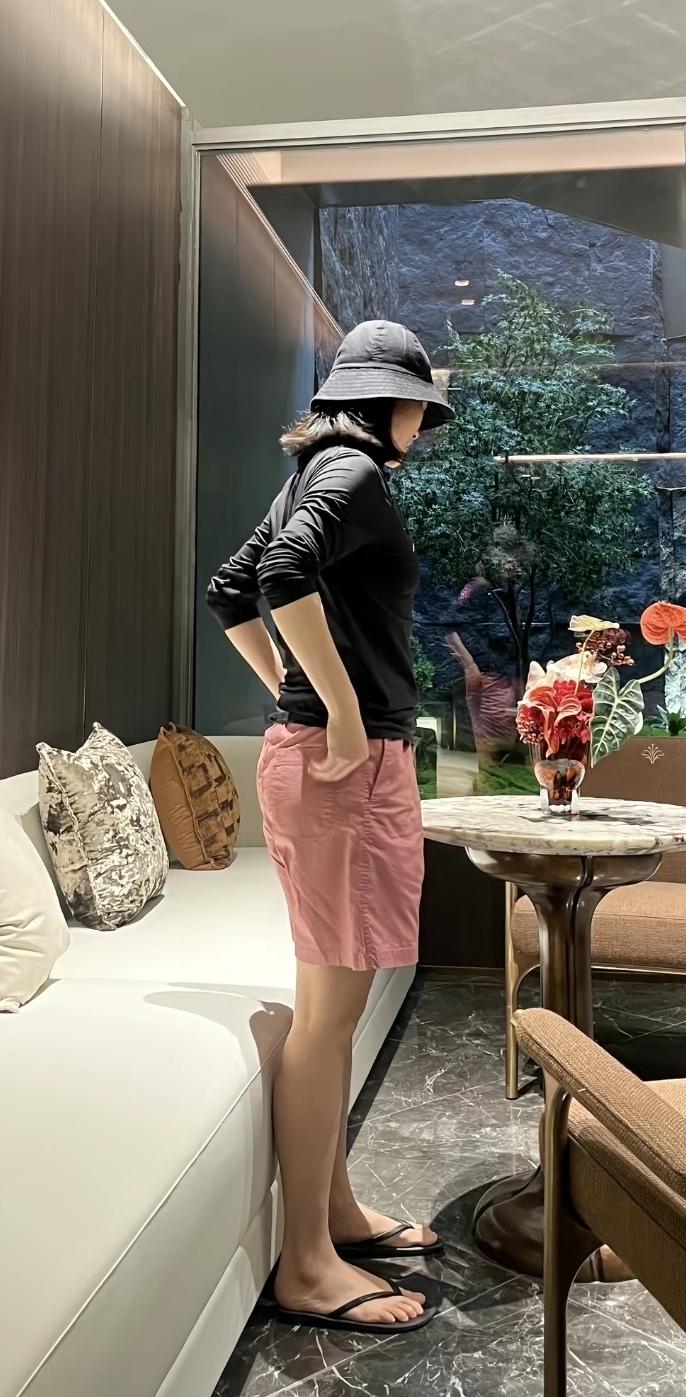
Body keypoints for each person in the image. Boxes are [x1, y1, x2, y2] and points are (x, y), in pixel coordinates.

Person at [207, 320, 454, 1333]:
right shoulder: (349, 469)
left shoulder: (315, 469)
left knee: (333, 1012)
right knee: (326, 1019)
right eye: (419, 410)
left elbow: (230, 587)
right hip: (342, 768)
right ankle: (307, 1265)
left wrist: (295, 692)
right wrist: (337, 709)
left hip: (328, 762)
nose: (421, 428)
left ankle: (336, 1214)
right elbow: (276, 579)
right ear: (387, 403)